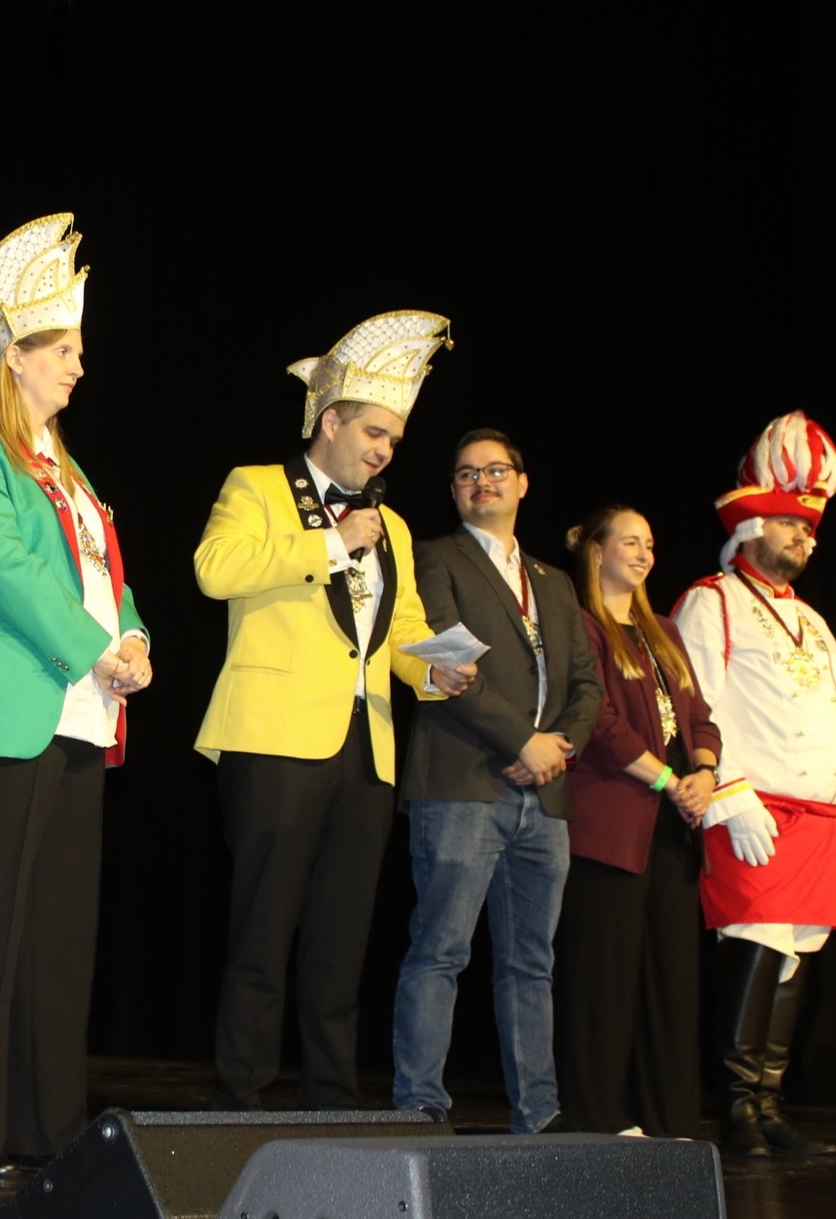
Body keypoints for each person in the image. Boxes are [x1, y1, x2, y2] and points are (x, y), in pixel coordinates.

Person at [0, 215, 152, 1177]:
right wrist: (97, 649)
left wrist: (135, 638)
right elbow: (5, 567)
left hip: (80, 715)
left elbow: (105, 574)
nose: (80, 367)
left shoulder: (68, 467)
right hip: (4, 707)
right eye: (64, 350)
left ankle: (46, 1127)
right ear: (14, 356)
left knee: (55, 936)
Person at [196, 310, 470, 1111]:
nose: (384, 450)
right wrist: (332, 542)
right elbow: (215, 568)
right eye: (374, 432)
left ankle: (332, 1095)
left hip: (366, 746)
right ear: (331, 421)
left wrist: (436, 670)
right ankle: (242, 1094)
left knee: (342, 936)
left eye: (394, 440)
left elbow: (403, 626)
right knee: (263, 925)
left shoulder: (394, 526)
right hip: (274, 736)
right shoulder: (257, 485)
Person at [391, 428, 601, 1133]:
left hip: (544, 793)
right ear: (453, 490)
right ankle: (421, 1105)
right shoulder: (434, 558)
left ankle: (538, 1112)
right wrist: (523, 741)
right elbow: (448, 661)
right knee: (441, 950)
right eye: (465, 474)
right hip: (462, 782)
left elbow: (586, 683)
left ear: (522, 482)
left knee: (530, 963)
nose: (480, 482)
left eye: (494, 470)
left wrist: (557, 748)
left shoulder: (555, 581)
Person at [674, 411, 836, 1157]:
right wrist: (729, 794)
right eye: (788, 523)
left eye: (809, 528)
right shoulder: (711, 600)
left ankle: (768, 1104)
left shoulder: (815, 622)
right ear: (750, 528)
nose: (803, 538)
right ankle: (736, 1109)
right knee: (754, 943)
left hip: (815, 813)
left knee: (794, 954)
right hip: (752, 807)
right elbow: (694, 703)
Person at [554, 506, 718, 1139]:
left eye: (649, 543)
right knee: (605, 978)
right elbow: (600, 725)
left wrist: (704, 773)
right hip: (610, 826)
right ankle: (599, 1117)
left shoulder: (664, 631)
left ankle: (669, 1118)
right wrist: (669, 781)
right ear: (596, 551)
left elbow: (699, 717)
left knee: (670, 980)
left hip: (672, 827)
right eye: (630, 542)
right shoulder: (583, 624)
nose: (645, 554)